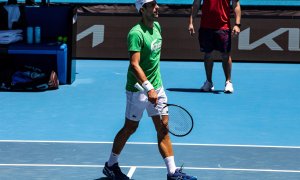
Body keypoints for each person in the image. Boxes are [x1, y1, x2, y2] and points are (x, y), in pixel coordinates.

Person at [102, 0, 197, 179]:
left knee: (163, 128)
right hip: (137, 89)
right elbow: (134, 65)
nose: (157, 7)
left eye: (156, 4)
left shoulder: (158, 27)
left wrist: (155, 88)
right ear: (142, 9)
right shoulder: (135, 34)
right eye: (152, 5)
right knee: (130, 128)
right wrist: (148, 88)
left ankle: (172, 172)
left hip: (157, 87)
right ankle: (111, 165)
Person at [188, 0, 242, 93]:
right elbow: (196, 4)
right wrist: (191, 22)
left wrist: (237, 24)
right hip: (206, 27)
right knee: (208, 54)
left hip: (224, 27)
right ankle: (209, 82)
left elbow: (236, 5)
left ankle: (228, 82)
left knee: (225, 55)